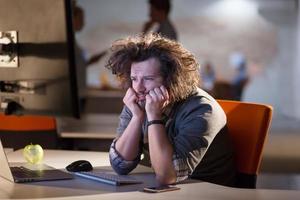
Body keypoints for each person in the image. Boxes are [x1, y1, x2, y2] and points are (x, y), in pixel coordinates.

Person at [106, 33, 236, 187]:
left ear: (172, 79)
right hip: (165, 189)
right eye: (134, 79)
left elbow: (167, 176)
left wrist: (154, 117)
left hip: (208, 191)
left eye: (148, 79)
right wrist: (137, 117)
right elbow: (120, 165)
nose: (139, 88)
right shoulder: (139, 101)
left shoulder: (202, 110)